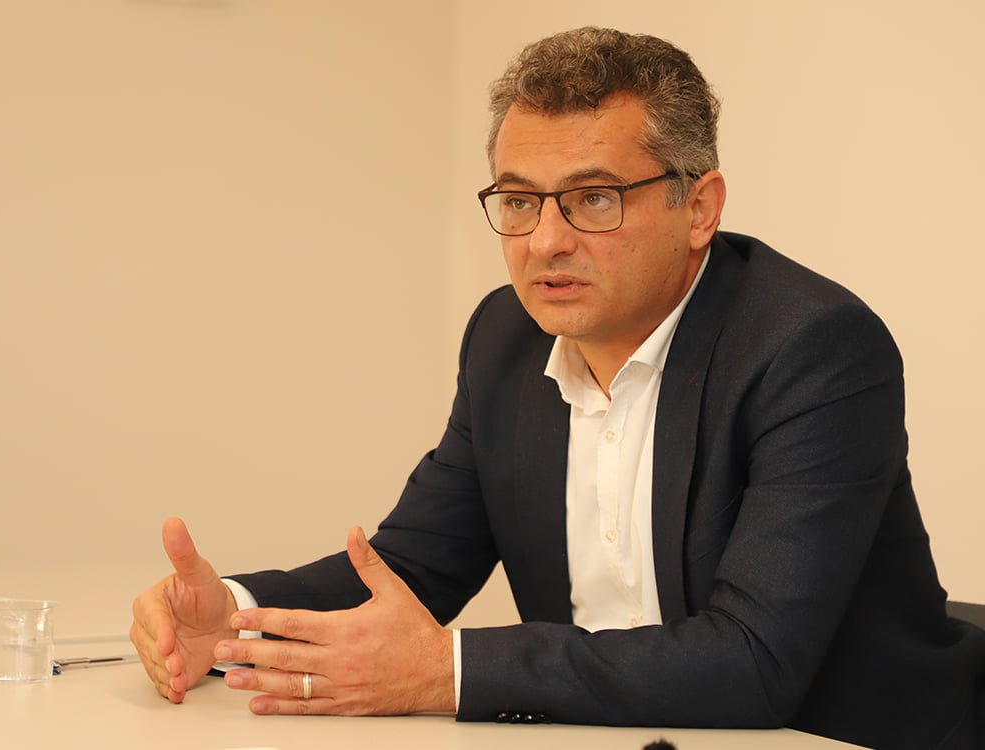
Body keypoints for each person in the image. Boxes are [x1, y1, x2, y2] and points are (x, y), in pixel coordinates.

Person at [130, 27, 985, 749]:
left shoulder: (812, 347)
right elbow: (415, 568)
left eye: (594, 199)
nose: (544, 242)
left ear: (699, 208)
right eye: (518, 201)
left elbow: (754, 663)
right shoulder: (505, 337)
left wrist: (447, 672)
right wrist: (233, 617)